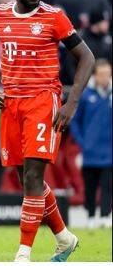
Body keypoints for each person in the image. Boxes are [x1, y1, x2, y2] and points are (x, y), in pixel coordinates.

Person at [0, 0, 95, 262]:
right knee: (24, 175)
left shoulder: (54, 17)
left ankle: (23, 252)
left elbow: (86, 57)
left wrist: (71, 102)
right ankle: (64, 238)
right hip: (11, 103)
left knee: (35, 175)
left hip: (43, 101)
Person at [70, 59, 112, 229]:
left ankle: (105, 216)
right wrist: (83, 143)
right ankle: (90, 216)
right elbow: (75, 122)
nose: (104, 78)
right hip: (90, 152)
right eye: (101, 74)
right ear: (95, 75)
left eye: (107, 74)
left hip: (109, 152)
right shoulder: (86, 95)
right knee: (90, 187)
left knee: (108, 186)